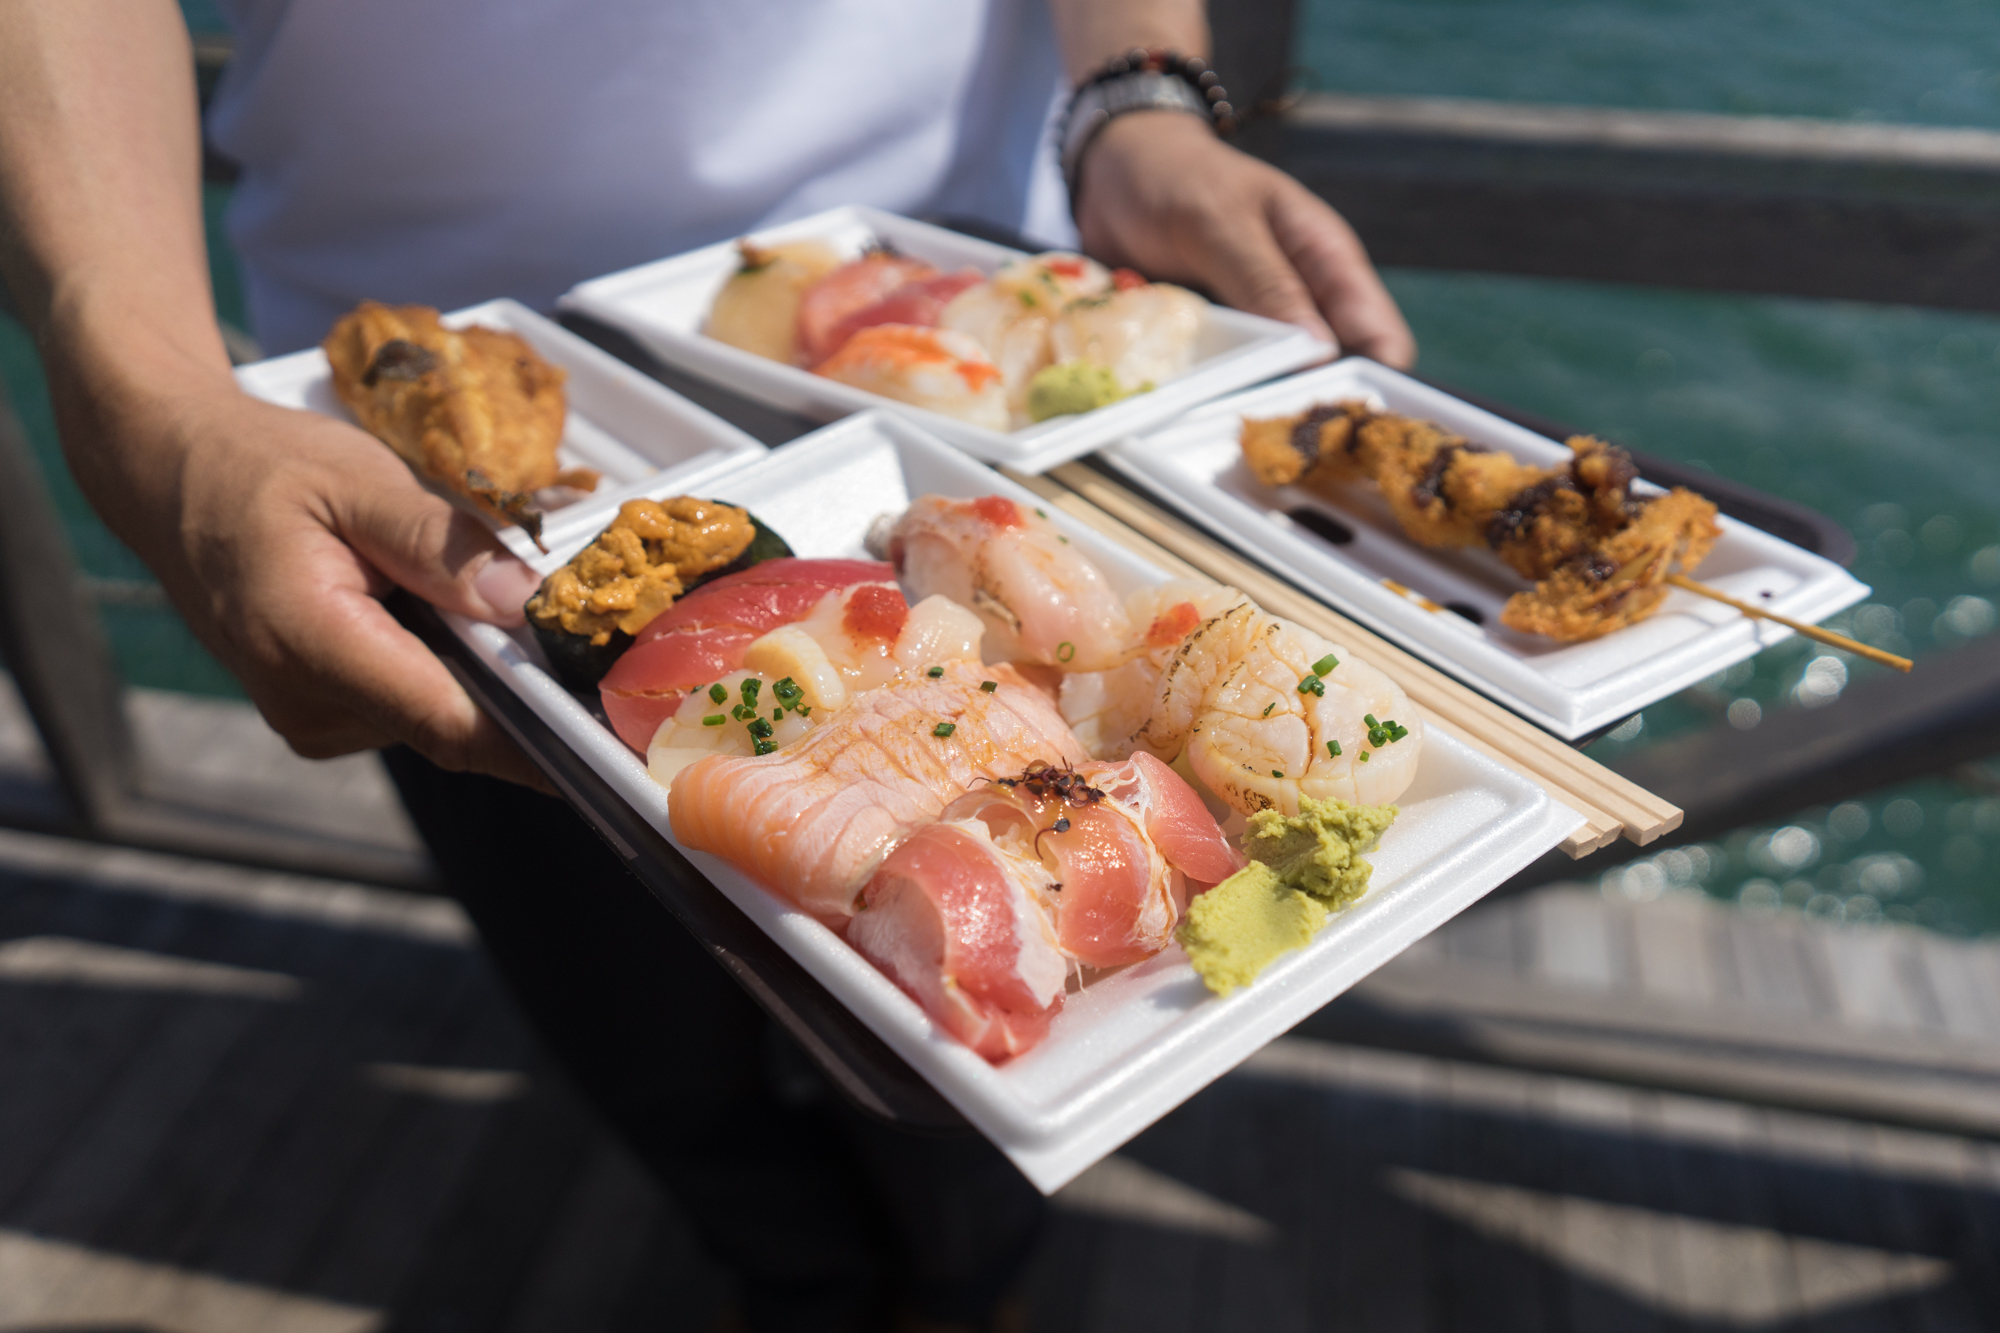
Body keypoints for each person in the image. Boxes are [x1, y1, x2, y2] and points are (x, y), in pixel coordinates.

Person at [0, 2, 1414, 1328]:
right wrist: (134, 367)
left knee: (968, 1108)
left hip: (947, 339)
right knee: (633, 1032)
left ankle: (975, 1282)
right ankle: (792, 1281)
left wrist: (1136, 96)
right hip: (390, 456)